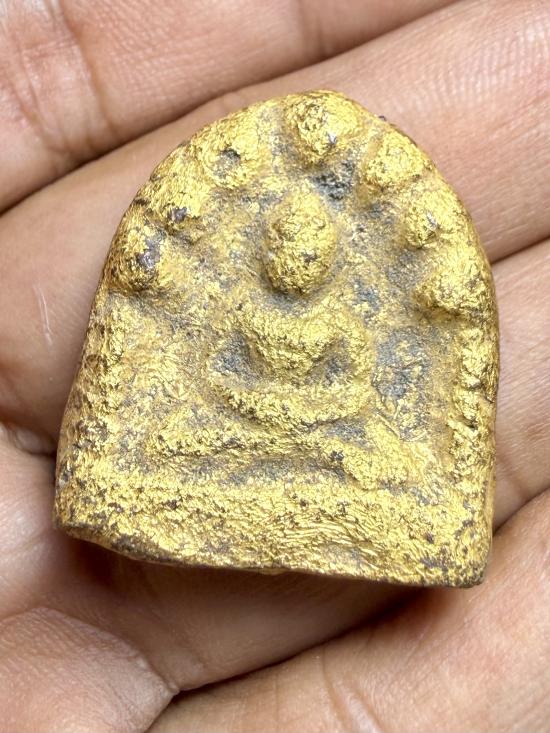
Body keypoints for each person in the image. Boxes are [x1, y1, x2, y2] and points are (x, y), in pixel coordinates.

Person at [0, 1, 548, 730]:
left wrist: (315, 412)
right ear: (265, 253)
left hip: (323, 430)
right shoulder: (243, 308)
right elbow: (214, 378)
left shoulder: (340, 319)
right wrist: (253, 405)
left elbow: (356, 390)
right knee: (179, 436)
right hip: (241, 425)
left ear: (329, 259)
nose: (295, 261)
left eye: (310, 252)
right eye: (284, 249)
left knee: (379, 451)